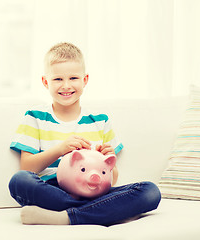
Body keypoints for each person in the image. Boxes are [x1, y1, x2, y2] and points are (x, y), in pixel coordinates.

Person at [8, 42, 161, 226]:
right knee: (19, 181)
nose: (66, 86)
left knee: (150, 191)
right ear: (45, 82)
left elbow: (111, 180)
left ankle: (67, 217)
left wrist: (108, 159)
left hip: (94, 189)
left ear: (85, 80)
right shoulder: (34, 118)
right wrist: (60, 149)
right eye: (58, 79)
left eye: (73, 78)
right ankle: (106, 212)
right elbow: (27, 168)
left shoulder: (100, 121)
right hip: (54, 190)